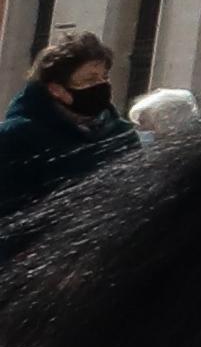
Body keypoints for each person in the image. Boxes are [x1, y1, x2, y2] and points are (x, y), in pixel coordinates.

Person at [0, 30, 127, 234]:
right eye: (90, 80)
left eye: (104, 77)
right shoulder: (16, 137)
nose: (102, 86)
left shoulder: (122, 135)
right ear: (57, 89)